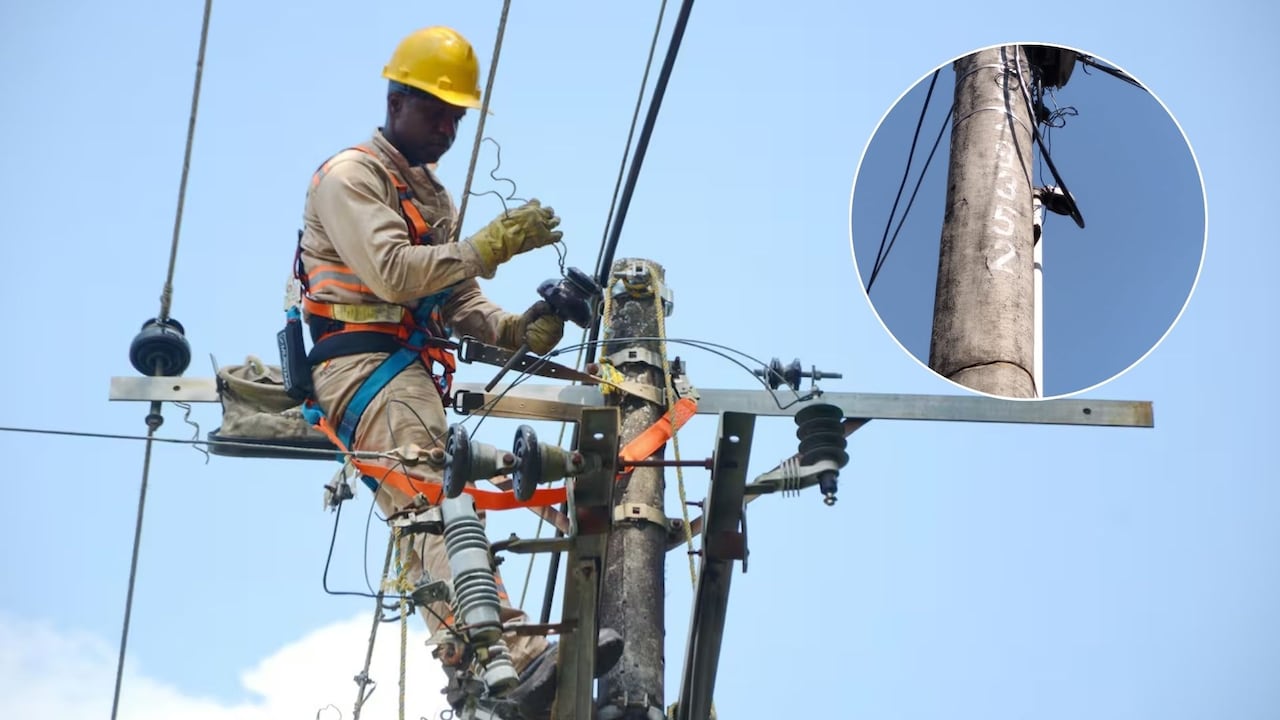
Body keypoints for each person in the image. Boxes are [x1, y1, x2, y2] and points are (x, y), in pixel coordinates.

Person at [293, 25, 621, 717]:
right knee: (432, 505)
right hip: (363, 367)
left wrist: (531, 325)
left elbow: (459, 301)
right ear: (395, 101)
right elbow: (393, 273)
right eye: (436, 111)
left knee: (442, 506)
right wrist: (488, 246)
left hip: (404, 365)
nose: (447, 128)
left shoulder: (428, 194)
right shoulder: (351, 177)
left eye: (456, 116)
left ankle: (481, 661)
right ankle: (508, 652)